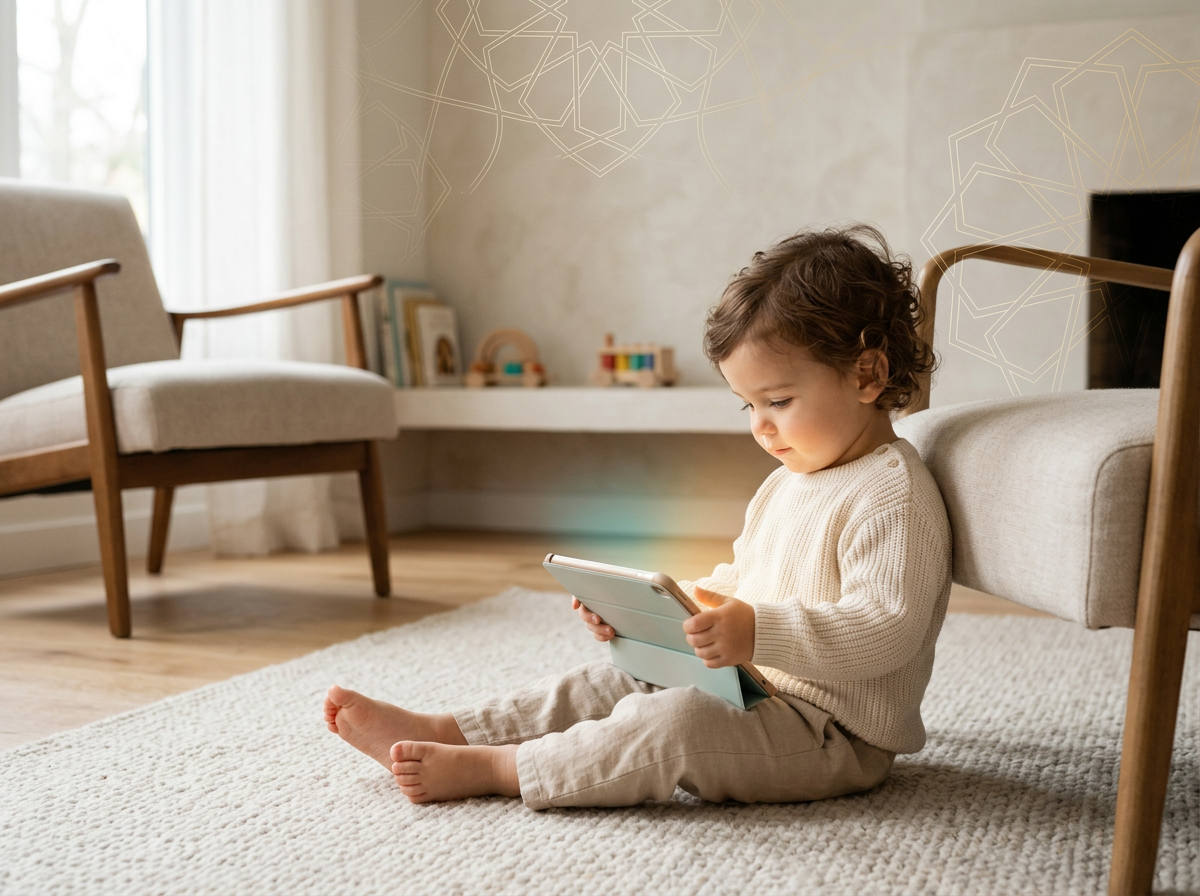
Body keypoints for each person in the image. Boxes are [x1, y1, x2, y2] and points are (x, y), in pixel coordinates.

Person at [323, 224, 952, 809]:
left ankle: (502, 768)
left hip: (830, 734)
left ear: (867, 374)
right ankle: (450, 729)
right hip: (750, 684)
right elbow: (741, 583)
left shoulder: (893, 494)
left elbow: (884, 630)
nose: (760, 426)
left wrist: (755, 633)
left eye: (779, 401)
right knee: (607, 683)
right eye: (747, 407)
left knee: (673, 727)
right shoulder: (788, 483)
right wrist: (664, 616)